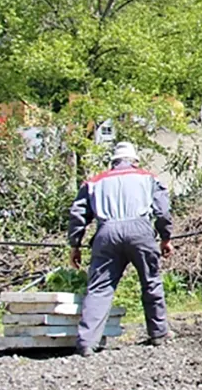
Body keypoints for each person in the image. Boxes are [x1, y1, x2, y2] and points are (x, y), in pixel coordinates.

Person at [68, 142, 173, 357]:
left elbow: (78, 214)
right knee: (150, 281)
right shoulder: (148, 177)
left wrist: (75, 244)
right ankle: (159, 333)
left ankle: (87, 342)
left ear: (112, 162)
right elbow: (162, 211)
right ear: (135, 161)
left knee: (99, 288)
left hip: (107, 232)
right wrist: (165, 237)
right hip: (140, 231)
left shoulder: (95, 182)